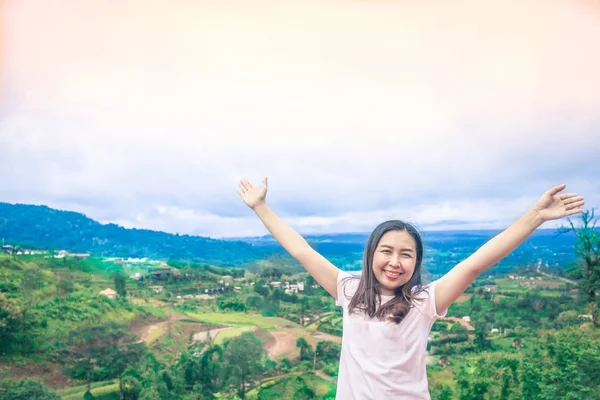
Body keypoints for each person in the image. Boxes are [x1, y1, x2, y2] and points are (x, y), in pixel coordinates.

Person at [237, 177, 584, 400]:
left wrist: (534, 217)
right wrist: (261, 207)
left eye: (406, 255)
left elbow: (477, 262)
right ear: (371, 254)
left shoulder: (424, 301)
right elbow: (301, 250)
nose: (394, 262)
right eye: (386, 251)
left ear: (416, 263)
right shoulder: (348, 289)